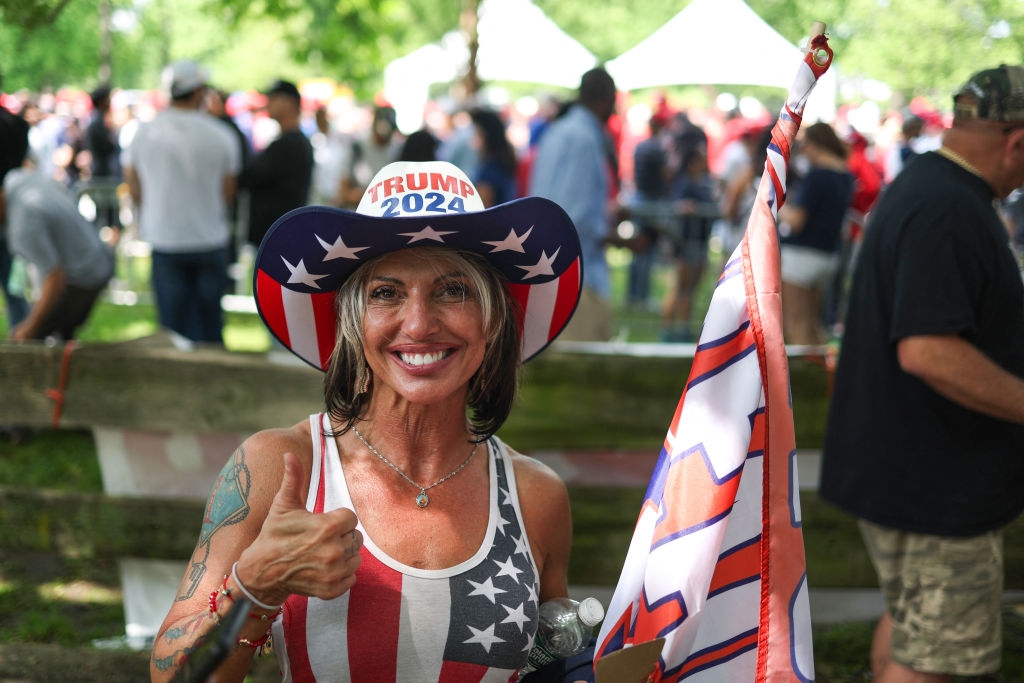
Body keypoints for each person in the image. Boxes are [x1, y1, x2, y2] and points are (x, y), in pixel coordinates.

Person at [149, 160, 584, 682]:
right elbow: (170, 676)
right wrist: (254, 589)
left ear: (493, 319)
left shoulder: (536, 496)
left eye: (453, 290)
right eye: (386, 293)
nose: (418, 325)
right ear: (351, 322)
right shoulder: (279, 466)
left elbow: (552, 664)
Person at [820, 65, 1024, 683]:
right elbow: (928, 350)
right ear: (1017, 142)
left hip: (911, 475)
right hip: (935, 487)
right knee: (937, 664)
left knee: (914, 632)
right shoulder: (948, 208)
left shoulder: (930, 187)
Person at [121, 60, 241, 346]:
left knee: (173, 334)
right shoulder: (222, 135)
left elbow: (134, 188)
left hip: (166, 241)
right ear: (199, 91)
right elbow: (228, 191)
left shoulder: (142, 133)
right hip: (209, 239)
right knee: (210, 328)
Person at [1, 105, 114, 341]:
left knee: (28, 338)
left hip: (85, 275)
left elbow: (55, 279)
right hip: (97, 261)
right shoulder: (24, 181)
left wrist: (28, 330)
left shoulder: (24, 217)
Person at [528, 67, 620, 342]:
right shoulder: (583, 139)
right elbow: (576, 217)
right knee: (582, 364)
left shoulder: (558, 132)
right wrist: (618, 239)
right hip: (578, 279)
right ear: (605, 100)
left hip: (551, 273)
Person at [777, 121, 854, 346]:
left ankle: (805, 369)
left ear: (815, 144)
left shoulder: (817, 176)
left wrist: (776, 205)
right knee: (813, 325)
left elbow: (796, 221)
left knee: (796, 324)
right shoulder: (844, 176)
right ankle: (820, 367)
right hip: (827, 255)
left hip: (801, 257)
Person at [239, 79, 314, 250]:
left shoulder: (289, 144)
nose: (268, 103)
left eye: (274, 98)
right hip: (280, 235)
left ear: (290, 103)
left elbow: (247, 177)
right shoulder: (295, 142)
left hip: (277, 239)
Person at [336, 104, 401, 208]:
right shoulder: (357, 148)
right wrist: (362, 197)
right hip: (358, 211)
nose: (383, 139)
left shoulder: (398, 150)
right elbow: (343, 191)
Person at [83, 84, 123, 237]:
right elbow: (107, 147)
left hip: (105, 172)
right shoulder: (96, 124)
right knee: (105, 216)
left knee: (109, 215)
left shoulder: (99, 122)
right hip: (103, 174)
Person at [469, 107, 518, 207]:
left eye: (478, 134)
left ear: (487, 137)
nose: (473, 140)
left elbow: (483, 209)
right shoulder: (503, 162)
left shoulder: (489, 170)